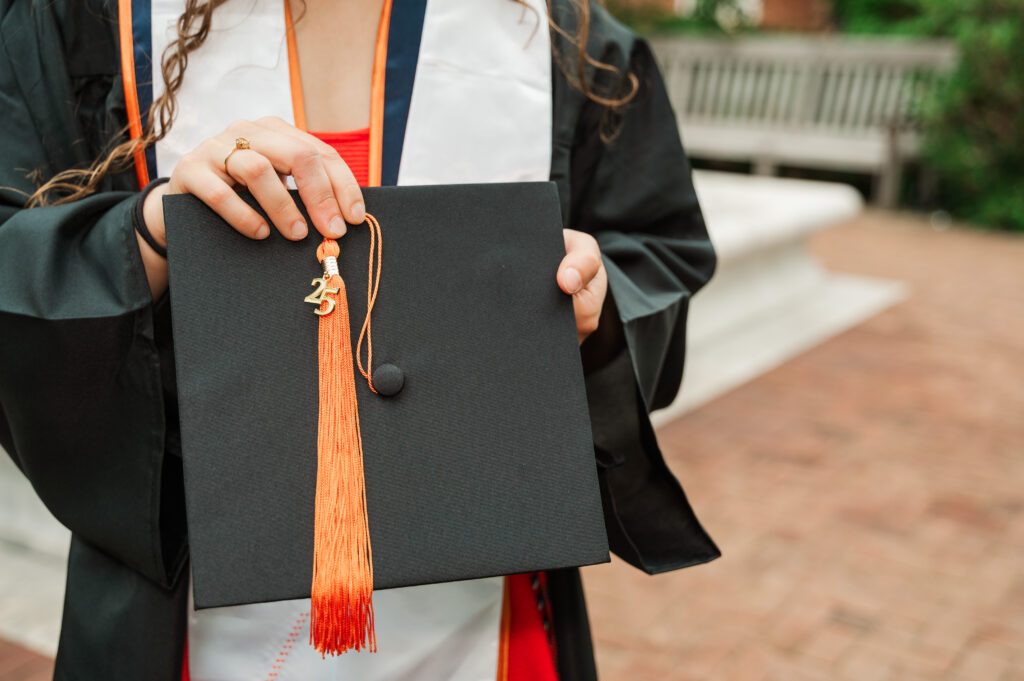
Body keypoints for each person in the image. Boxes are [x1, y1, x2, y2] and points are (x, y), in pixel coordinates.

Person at [0, 0, 721, 679]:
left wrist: (592, 311)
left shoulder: (558, 33)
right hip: (180, 617)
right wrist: (148, 238)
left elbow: (654, 254)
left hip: (488, 604)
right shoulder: (83, 20)